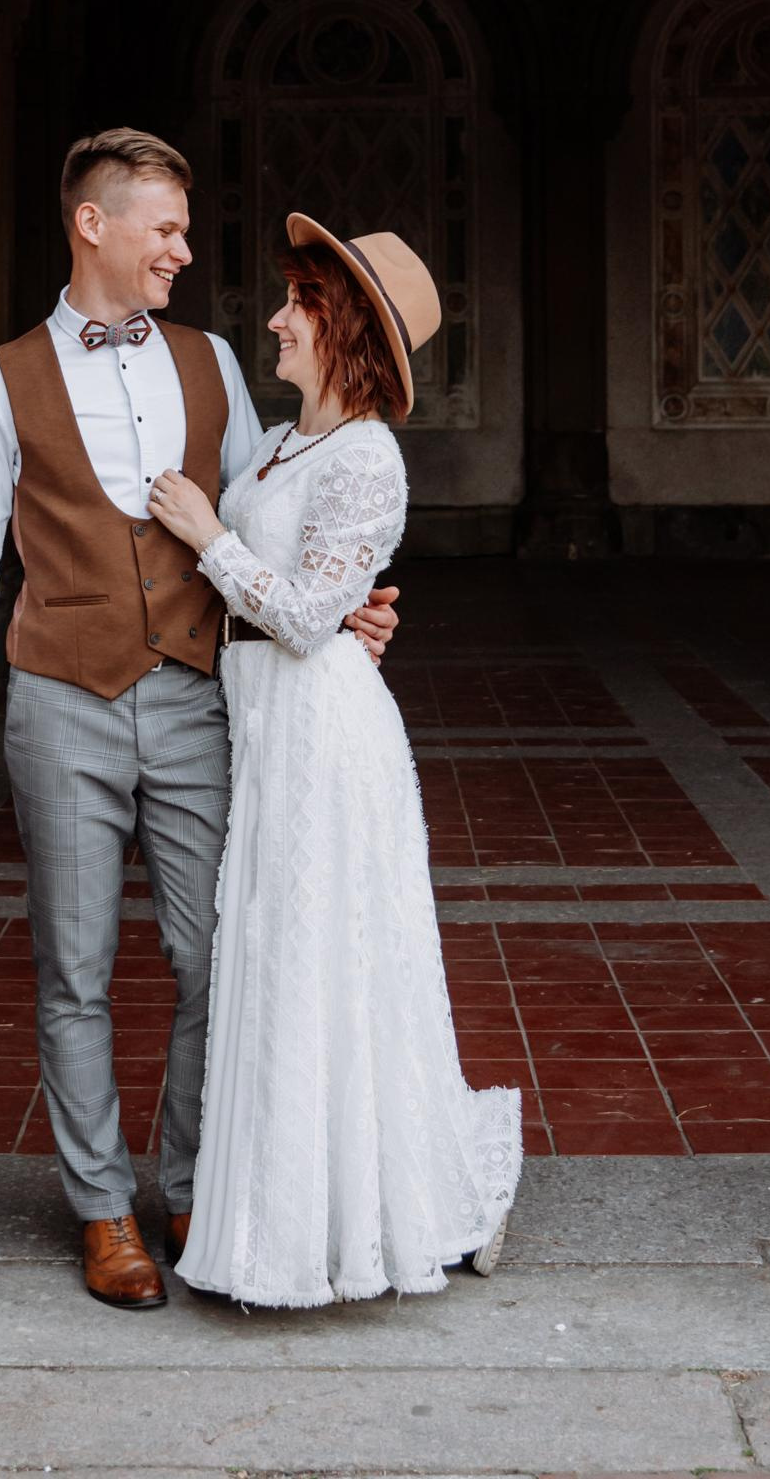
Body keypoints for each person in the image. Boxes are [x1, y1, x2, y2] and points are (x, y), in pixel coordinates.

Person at [0, 131, 399, 1311]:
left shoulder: (209, 362)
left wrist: (349, 607)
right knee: (75, 968)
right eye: (164, 230)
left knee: (217, 957)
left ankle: (198, 1181)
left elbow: (267, 526)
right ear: (92, 225)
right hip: (61, 702)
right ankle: (104, 1212)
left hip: (201, 699)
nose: (183, 251)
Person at [148, 214, 521, 1308]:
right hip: (264, 727)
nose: (272, 319)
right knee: (271, 965)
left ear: (339, 324)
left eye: (294, 303)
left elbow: (311, 618)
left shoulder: (366, 455)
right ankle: (279, 1211)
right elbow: (306, 591)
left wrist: (202, 531)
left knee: (323, 965)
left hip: (322, 736)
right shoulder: (275, 442)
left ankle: (349, 1219)